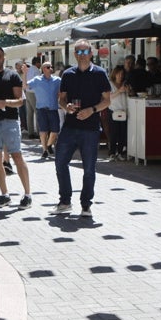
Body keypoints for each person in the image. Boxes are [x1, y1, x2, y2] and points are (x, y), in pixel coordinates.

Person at [53, 39, 110, 218]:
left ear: (91, 54)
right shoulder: (68, 74)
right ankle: (65, 201)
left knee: (89, 169)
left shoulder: (100, 74)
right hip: (70, 126)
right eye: (79, 52)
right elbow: (61, 99)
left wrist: (91, 110)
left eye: (85, 52)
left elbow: (107, 101)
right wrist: (66, 107)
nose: (82, 55)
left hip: (90, 128)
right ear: (75, 54)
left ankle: (86, 204)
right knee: (60, 162)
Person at [0, 46, 32, 208]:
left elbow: (20, 101)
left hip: (10, 121)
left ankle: (27, 194)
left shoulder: (12, 75)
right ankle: (4, 194)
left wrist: (5, 103)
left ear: (4, 58)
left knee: (16, 156)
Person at [27, 59, 61, 160]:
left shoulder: (57, 80)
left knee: (55, 131)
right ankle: (44, 150)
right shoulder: (37, 80)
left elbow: (63, 90)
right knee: (43, 131)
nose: (50, 68)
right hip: (41, 109)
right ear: (43, 69)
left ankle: (49, 145)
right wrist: (25, 74)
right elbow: (25, 86)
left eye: (51, 67)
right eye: (48, 67)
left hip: (53, 108)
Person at [106, 63, 129, 161]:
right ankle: (112, 153)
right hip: (113, 111)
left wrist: (128, 91)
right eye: (118, 74)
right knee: (114, 134)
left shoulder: (125, 84)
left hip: (123, 111)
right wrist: (119, 91)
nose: (120, 76)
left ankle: (120, 152)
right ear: (114, 74)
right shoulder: (110, 84)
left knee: (122, 134)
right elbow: (108, 97)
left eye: (122, 74)